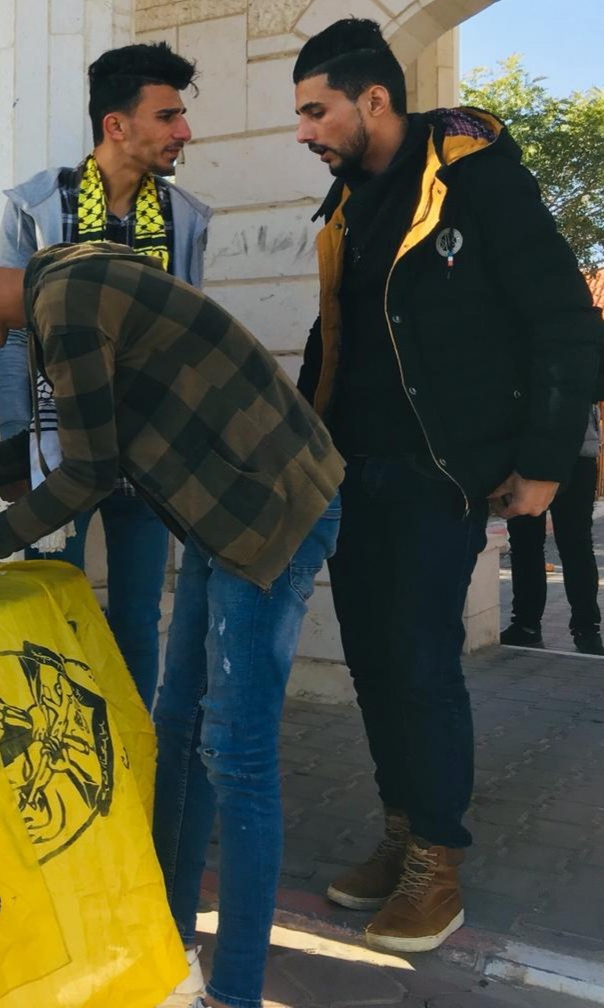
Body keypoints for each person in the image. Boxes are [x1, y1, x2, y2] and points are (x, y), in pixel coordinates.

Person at [0, 226, 344, 1008]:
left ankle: (233, 993)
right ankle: (165, 942)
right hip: (223, 512)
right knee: (180, 728)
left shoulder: (64, 302)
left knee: (235, 756)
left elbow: (87, 473)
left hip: (270, 512)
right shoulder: (56, 287)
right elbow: (66, 446)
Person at [293, 18, 604, 953]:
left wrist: (544, 460)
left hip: (439, 470)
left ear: (373, 99)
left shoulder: (475, 176)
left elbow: (563, 318)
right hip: (352, 470)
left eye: (315, 110)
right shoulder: (346, 203)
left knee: (420, 660)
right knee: (371, 659)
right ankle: (400, 832)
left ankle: (437, 861)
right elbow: (333, 337)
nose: (303, 131)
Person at [0, 41, 211, 711]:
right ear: (116, 125)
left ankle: (133, 750)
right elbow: (12, 334)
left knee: (138, 618)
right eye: (167, 116)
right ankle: (60, 749)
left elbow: (187, 340)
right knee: (49, 610)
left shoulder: (184, 217)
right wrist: (20, 447)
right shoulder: (36, 207)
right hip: (57, 449)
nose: (183, 131)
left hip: (148, 454)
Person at [502, 408, 603, 654]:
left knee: (575, 544)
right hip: (525, 452)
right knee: (526, 544)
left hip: (574, 450)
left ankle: (586, 629)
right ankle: (527, 626)